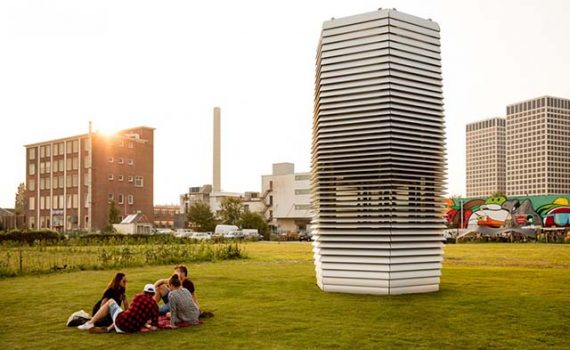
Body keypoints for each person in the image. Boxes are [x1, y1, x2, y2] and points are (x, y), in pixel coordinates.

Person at [78, 284, 158, 333]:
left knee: (111, 302)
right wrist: (147, 325)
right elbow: (154, 324)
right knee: (124, 314)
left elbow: (129, 310)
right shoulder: (155, 306)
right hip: (132, 329)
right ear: (154, 294)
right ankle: (109, 328)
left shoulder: (138, 296)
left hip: (121, 322)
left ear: (144, 291)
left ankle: (90, 323)